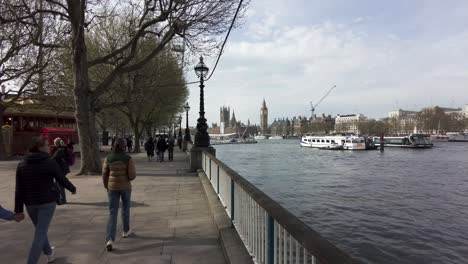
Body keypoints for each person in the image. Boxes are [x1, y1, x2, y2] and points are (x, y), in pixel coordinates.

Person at [15, 136, 76, 264]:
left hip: (30, 203)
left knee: (40, 230)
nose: (50, 147)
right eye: (47, 145)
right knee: (40, 234)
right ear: (40, 147)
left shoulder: (22, 164)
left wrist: (18, 209)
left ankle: (49, 253)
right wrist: (72, 188)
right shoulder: (49, 162)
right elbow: (61, 179)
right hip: (47, 202)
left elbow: (19, 189)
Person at [102, 138, 136, 251]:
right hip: (125, 187)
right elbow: (132, 175)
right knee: (125, 209)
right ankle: (125, 231)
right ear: (124, 146)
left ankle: (109, 239)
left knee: (113, 212)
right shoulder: (128, 158)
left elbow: (104, 174)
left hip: (112, 188)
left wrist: (107, 186)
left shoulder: (108, 158)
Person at [51, 138, 71, 205]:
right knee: (57, 184)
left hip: (61, 169)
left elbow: (53, 159)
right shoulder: (62, 149)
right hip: (63, 169)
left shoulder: (59, 150)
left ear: (56, 143)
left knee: (59, 184)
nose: (53, 144)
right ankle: (59, 198)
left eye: (54, 143)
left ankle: (63, 199)